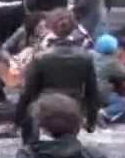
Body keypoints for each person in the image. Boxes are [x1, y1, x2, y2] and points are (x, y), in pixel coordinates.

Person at [15, 9, 101, 144]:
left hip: (45, 109)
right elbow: (92, 92)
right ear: (73, 27)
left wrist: (19, 118)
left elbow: (28, 92)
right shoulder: (85, 58)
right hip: (73, 109)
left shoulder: (41, 57)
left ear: (51, 28)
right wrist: (91, 120)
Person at [93, 34, 125, 126]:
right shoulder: (111, 61)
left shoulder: (90, 55)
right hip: (101, 92)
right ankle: (103, 113)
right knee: (122, 103)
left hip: (85, 89)